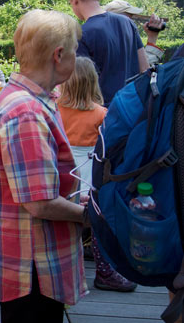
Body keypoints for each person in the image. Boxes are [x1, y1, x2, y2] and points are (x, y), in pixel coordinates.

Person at [0, 10, 88, 322]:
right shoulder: (26, 112)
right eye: (75, 50)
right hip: (32, 267)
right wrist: (91, 216)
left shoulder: (22, 98)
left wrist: (71, 199)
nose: (76, 56)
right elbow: (39, 202)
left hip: (26, 259)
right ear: (58, 55)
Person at [57, 56, 137, 292]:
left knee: (64, 220)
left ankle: (64, 268)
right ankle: (105, 271)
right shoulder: (102, 113)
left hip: (64, 170)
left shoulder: (54, 109)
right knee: (98, 220)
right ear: (93, 82)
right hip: (90, 174)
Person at [66, 0, 148, 105]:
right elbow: (144, 68)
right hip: (133, 106)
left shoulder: (82, 34)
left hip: (105, 112)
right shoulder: (127, 22)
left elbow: (81, 88)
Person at [103, 0, 166, 66]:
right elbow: (142, 69)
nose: (131, 23)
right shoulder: (115, 42)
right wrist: (152, 37)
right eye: (128, 20)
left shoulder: (107, 37)